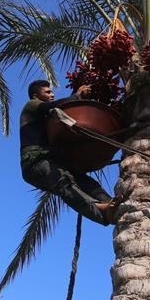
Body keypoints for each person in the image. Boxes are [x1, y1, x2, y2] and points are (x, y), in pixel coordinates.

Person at [19, 80, 116, 225]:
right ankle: (100, 212)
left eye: (51, 92)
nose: (52, 94)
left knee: (86, 182)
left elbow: (65, 110)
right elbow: (54, 106)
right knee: (64, 183)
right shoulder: (31, 105)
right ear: (35, 95)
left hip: (52, 159)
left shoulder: (47, 118)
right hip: (35, 161)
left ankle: (110, 203)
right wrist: (77, 95)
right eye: (47, 92)